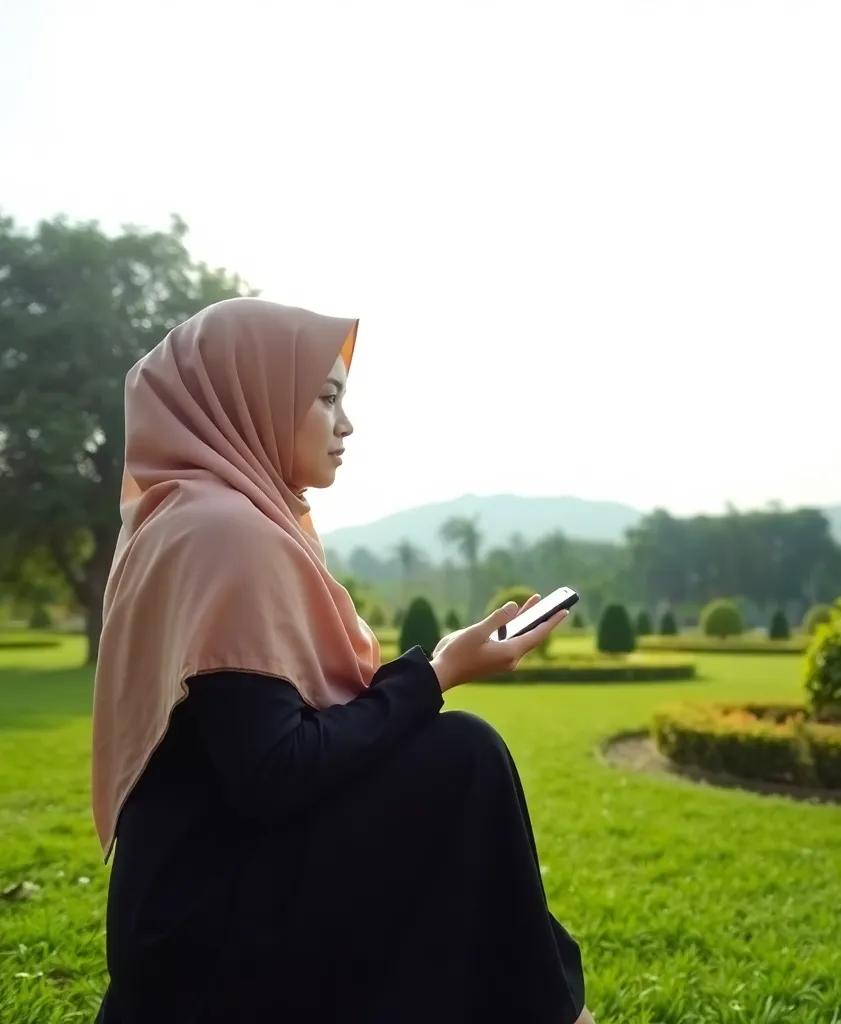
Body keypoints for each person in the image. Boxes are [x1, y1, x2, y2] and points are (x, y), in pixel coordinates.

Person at [91, 298, 593, 1024]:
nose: (346, 424)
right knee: (463, 755)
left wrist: (437, 670)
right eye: (324, 398)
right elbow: (274, 774)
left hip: (181, 903)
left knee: (453, 763)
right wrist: (439, 673)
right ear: (251, 397)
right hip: (201, 929)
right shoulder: (223, 531)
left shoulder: (190, 517)